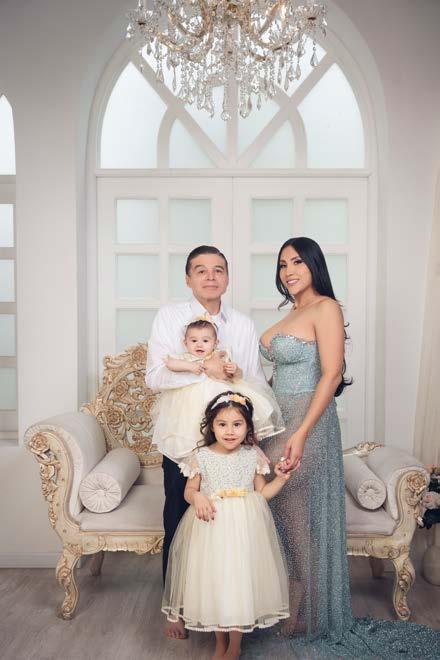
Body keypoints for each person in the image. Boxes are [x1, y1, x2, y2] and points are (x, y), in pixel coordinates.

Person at [258, 237, 440, 656]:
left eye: (297, 262)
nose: (289, 270)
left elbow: (332, 374)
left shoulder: (326, 308)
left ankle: (308, 610)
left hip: (307, 423)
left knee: (296, 515)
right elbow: (276, 376)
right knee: (281, 515)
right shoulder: (293, 312)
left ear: (314, 265)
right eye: (283, 264)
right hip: (277, 422)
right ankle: (294, 602)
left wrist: (301, 433)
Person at [146, 245, 266, 640]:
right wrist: (203, 368)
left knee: (230, 522)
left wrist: (251, 433)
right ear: (188, 278)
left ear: (227, 278)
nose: (210, 277)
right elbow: (155, 376)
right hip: (183, 432)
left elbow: (253, 379)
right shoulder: (170, 317)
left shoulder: (243, 324)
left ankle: (226, 607)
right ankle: (177, 608)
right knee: (179, 515)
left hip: (230, 434)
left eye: (218, 270)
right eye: (201, 270)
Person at [162, 391, 290, 660]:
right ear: (211, 425)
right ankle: (220, 641)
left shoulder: (253, 455)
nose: (230, 431)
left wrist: (279, 479)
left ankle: (235, 645)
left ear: (248, 427)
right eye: (222, 424)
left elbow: (262, 494)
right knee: (216, 582)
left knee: (238, 581)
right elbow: (189, 491)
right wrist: (197, 497)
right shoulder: (201, 456)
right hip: (211, 528)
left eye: (237, 424)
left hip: (244, 529)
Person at [151, 315, 284, 463]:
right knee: (193, 429)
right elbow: (170, 364)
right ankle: (196, 460)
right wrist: (190, 366)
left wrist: (234, 370)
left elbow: (236, 377)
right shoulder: (186, 358)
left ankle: (252, 447)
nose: (199, 345)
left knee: (237, 415)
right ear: (185, 343)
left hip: (219, 397)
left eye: (205, 341)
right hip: (191, 402)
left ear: (215, 343)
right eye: (193, 341)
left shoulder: (220, 356)